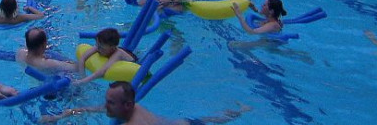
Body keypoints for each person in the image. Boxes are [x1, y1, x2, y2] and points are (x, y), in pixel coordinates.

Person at [40, 81, 250, 124]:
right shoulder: (127, 107)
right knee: (213, 119)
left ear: (127, 105)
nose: (105, 106)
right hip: (183, 122)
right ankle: (238, 111)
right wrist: (58, 116)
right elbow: (90, 109)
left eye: (110, 103)